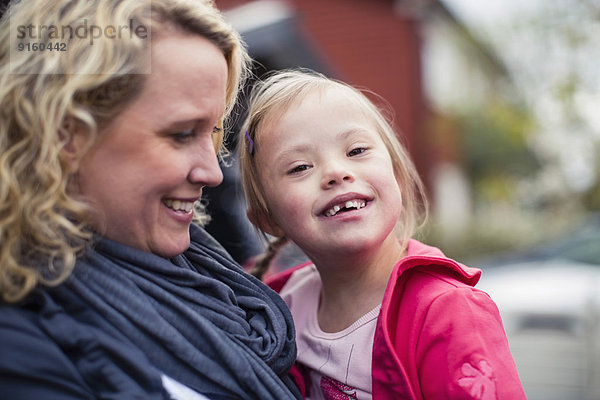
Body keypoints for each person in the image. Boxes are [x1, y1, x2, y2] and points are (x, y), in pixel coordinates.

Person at [0, 1, 303, 399]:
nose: (212, 173)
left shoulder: (212, 279)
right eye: (180, 134)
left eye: (212, 132)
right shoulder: (22, 340)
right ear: (65, 132)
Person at [238, 69, 526, 400]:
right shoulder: (277, 311)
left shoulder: (448, 313)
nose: (336, 172)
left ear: (397, 178)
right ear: (268, 220)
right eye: (300, 167)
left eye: (357, 150)